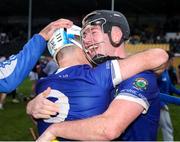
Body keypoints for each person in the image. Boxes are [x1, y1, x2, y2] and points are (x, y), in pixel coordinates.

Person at [27, 11, 168, 141]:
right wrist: (33, 108)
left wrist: (55, 130)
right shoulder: (93, 74)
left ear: (116, 34)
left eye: (92, 32)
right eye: (83, 36)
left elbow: (108, 129)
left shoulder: (139, 76)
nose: (86, 41)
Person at [0, 19, 73, 93]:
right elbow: (6, 79)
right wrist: (41, 37)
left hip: (38, 73)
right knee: (36, 84)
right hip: (36, 73)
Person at [157, 55, 180, 141]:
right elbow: (153, 91)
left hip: (163, 104)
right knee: (167, 127)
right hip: (159, 105)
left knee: (156, 128)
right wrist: (161, 104)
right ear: (167, 60)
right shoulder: (158, 73)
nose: (172, 62)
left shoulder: (166, 72)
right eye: (171, 60)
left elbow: (171, 87)